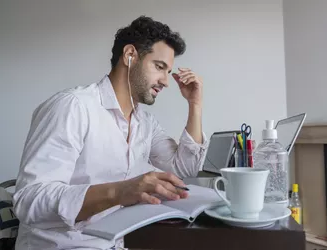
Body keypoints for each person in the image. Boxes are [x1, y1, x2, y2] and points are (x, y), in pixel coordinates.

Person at [13, 16, 207, 250]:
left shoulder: (144, 122)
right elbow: (29, 200)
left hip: (115, 244)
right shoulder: (72, 107)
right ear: (129, 55)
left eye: (168, 71)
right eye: (159, 67)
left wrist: (194, 104)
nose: (165, 81)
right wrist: (120, 191)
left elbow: (184, 169)